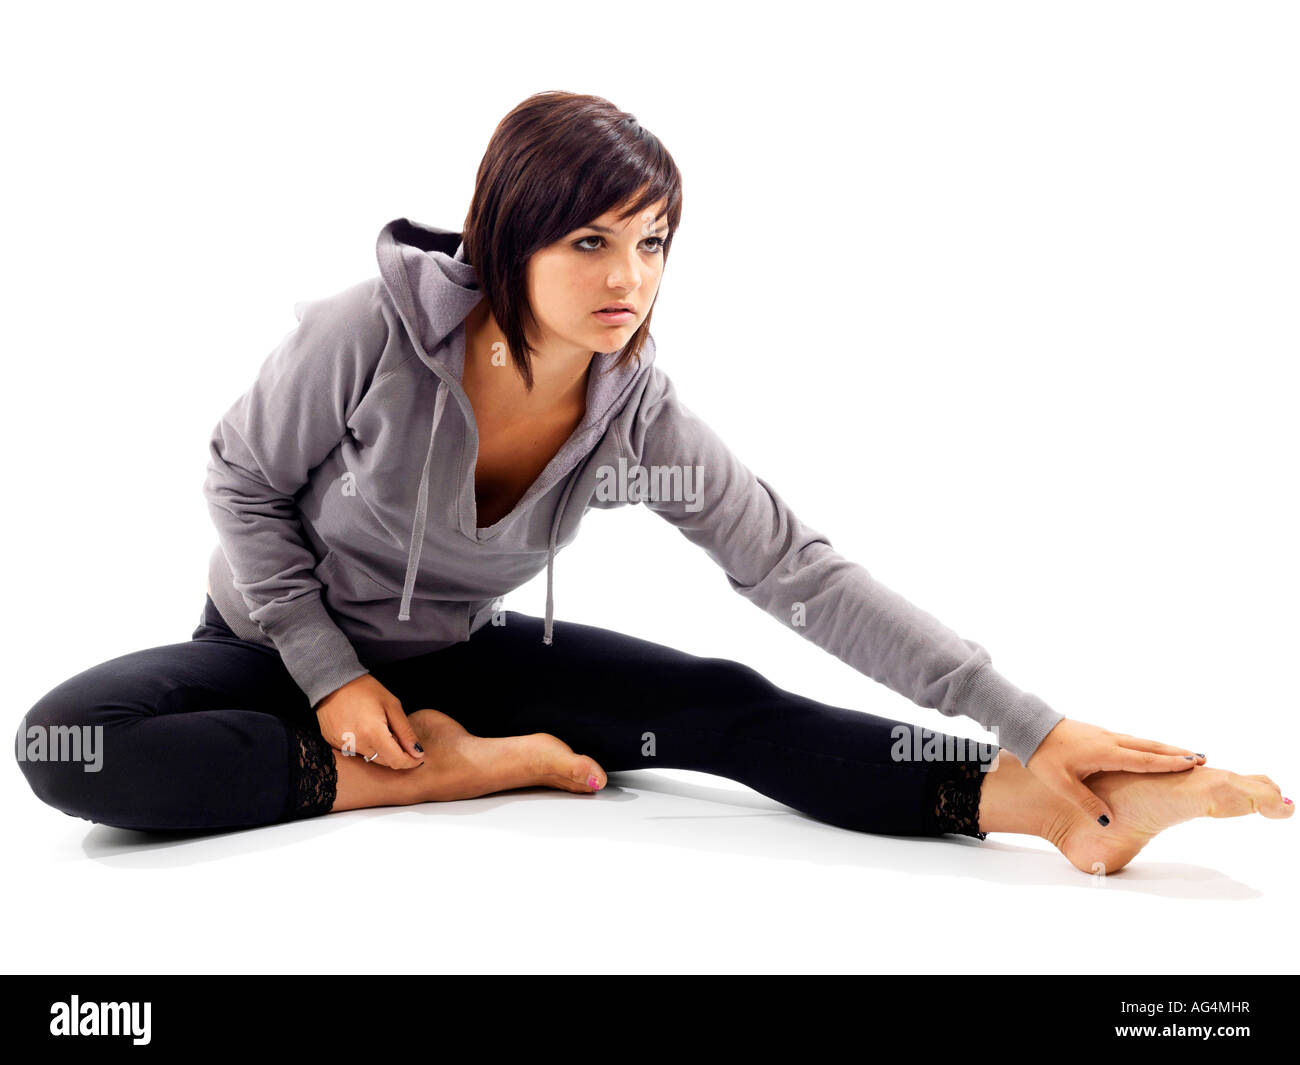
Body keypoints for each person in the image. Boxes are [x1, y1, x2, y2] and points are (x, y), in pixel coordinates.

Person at [14, 91, 1291, 875]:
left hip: (457, 660)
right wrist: (331, 677)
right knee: (64, 747)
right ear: (505, 236)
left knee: (721, 702)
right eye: (589, 241)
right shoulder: (370, 332)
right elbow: (239, 485)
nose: (628, 276)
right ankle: (461, 769)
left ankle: (1058, 811)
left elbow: (796, 571)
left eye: (652, 241)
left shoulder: (638, 416)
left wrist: (1035, 722)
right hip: (268, 653)